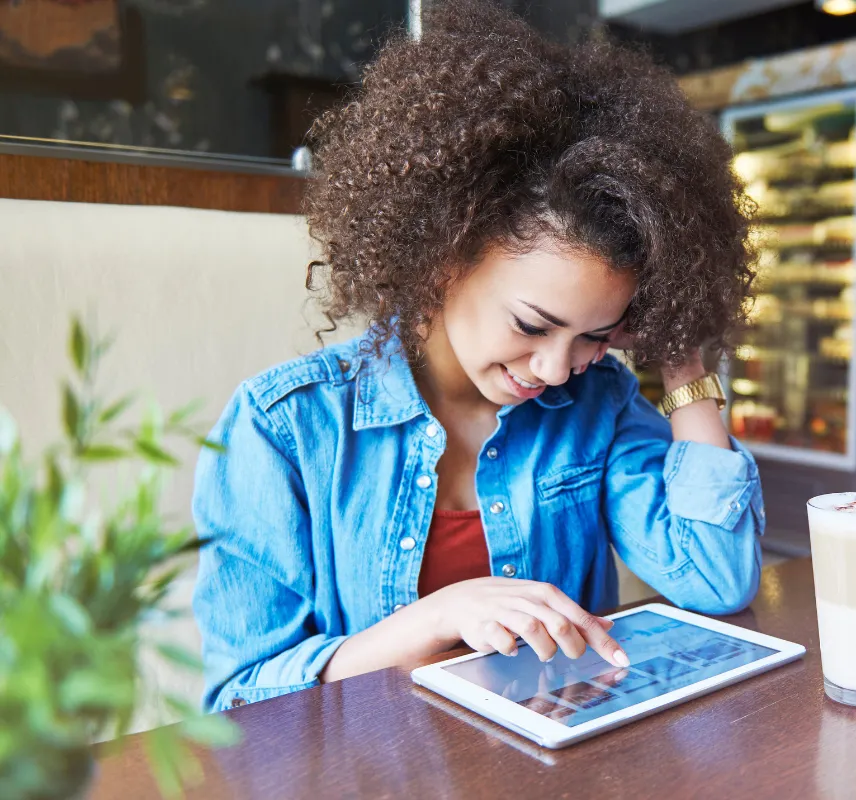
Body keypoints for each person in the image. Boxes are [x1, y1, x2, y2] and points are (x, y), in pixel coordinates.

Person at [193, 0, 763, 713]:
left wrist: (684, 358)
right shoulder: (282, 428)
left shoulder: (599, 404)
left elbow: (718, 580)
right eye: (531, 325)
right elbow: (240, 699)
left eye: (595, 336)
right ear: (443, 258)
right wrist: (435, 618)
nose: (555, 369)